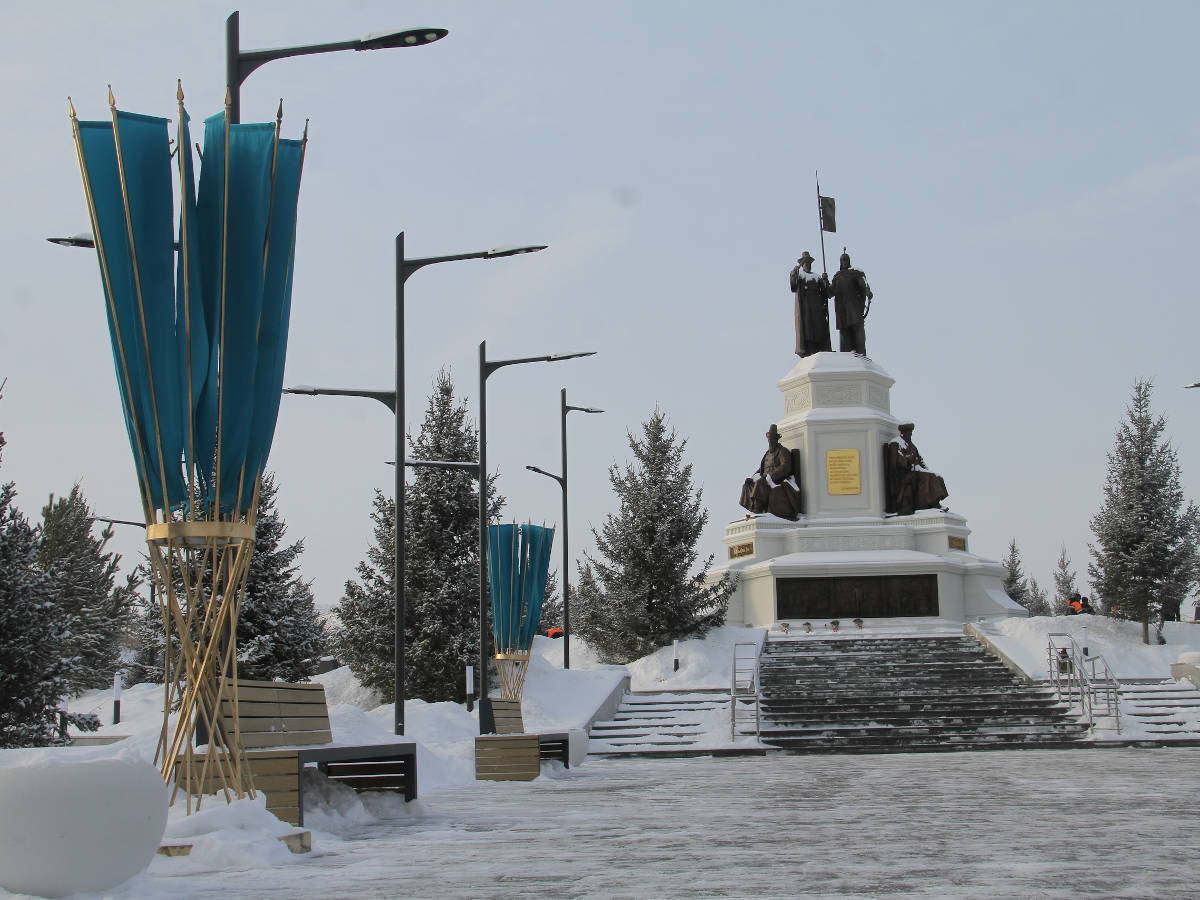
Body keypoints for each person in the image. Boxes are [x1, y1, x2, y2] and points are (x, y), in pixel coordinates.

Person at [739, 424, 803, 520]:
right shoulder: (767, 453)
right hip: (765, 479)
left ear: (776, 439)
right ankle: (752, 506)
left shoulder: (782, 451)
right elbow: (761, 468)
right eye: (769, 438)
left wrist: (771, 476)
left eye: (772, 438)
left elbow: (786, 466)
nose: (770, 440)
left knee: (760, 483)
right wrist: (752, 478)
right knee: (748, 485)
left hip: (777, 479)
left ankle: (758, 508)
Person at [884, 423, 949, 516]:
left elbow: (920, 460)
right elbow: (896, 462)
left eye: (911, 433)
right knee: (926, 477)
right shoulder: (896, 444)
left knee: (935, 476)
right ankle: (927, 504)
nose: (910, 435)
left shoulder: (912, 445)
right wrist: (909, 459)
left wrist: (926, 469)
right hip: (903, 473)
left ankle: (935, 501)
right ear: (903, 433)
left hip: (915, 470)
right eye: (908, 432)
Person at [830, 250, 873, 356]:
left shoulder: (855, 272)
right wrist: (826, 282)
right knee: (844, 332)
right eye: (842, 260)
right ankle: (845, 355)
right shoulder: (837, 276)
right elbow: (830, 293)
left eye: (845, 259)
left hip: (853, 306)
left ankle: (861, 352)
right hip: (841, 308)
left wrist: (867, 292)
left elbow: (863, 284)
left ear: (849, 261)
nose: (844, 262)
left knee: (857, 328)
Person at [789, 251, 832, 357]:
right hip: (806, 307)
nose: (807, 265)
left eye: (809, 263)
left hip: (817, 307)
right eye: (805, 263)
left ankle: (820, 346)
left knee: (819, 327)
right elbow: (793, 286)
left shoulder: (817, 277)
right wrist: (794, 272)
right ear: (802, 264)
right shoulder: (800, 276)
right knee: (808, 328)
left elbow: (827, 294)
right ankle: (809, 348)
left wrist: (826, 281)